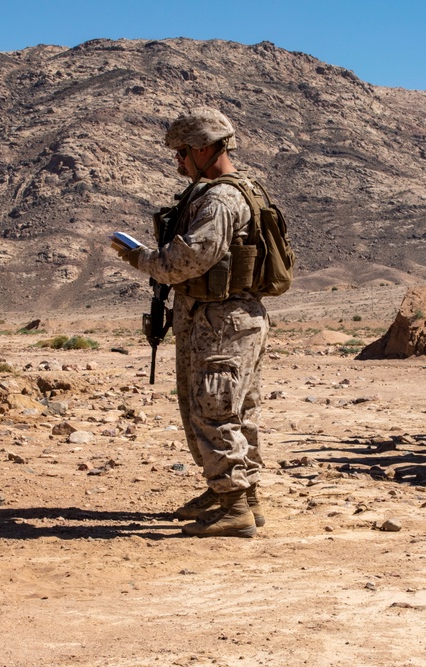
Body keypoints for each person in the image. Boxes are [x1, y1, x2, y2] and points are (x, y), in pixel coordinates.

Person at [114, 107, 269, 537]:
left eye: (182, 152)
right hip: (227, 319)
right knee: (238, 412)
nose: (178, 161)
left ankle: (234, 505)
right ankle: (240, 495)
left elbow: (187, 261)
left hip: (220, 322)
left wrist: (139, 257)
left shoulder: (220, 199)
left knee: (214, 410)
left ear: (204, 148)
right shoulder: (240, 190)